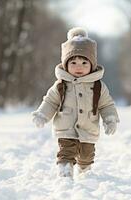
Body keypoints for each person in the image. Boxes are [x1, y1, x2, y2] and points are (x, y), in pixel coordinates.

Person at [32, 27, 119, 178]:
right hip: (65, 129)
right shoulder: (61, 84)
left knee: (86, 157)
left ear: (92, 65)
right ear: (66, 65)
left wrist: (110, 119)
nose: (79, 67)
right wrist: (42, 115)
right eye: (73, 62)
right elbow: (50, 101)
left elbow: (106, 105)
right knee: (65, 153)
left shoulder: (98, 85)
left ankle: (85, 173)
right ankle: (65, 172)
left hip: (88, 129)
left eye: (84, 63)